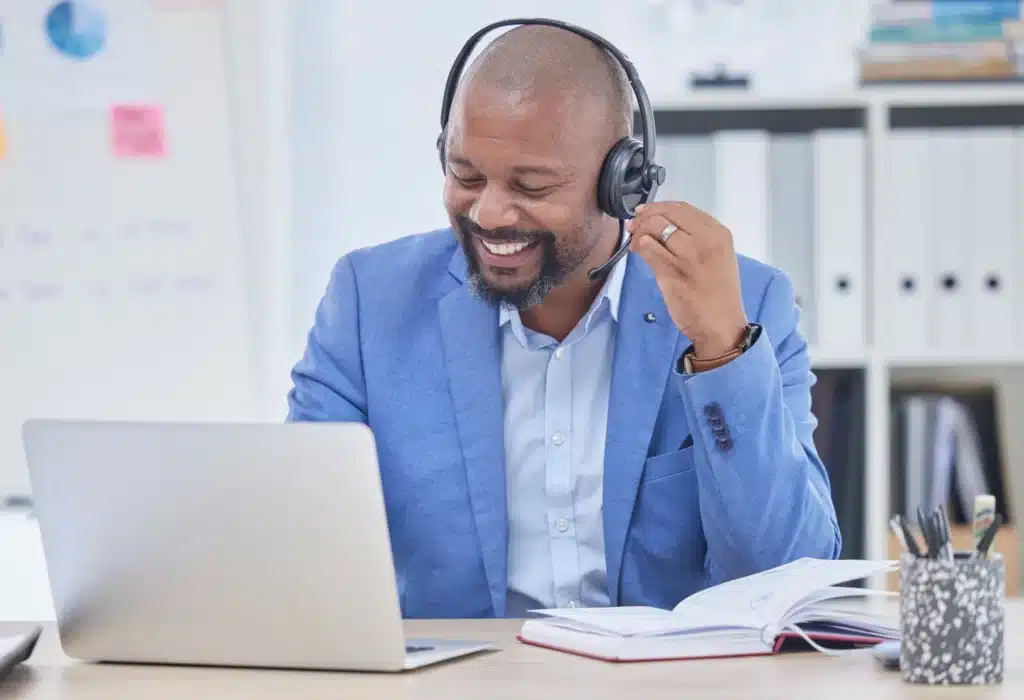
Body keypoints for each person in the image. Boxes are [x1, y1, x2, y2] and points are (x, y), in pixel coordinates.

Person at [287, 20, 841, 619]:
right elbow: (297, 549)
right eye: (465, 175)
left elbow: (789, 576)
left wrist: (721, 352)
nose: (491, 212)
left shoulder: (745, 303)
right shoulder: (369, 303)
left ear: (622, 183)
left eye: (532, 185)